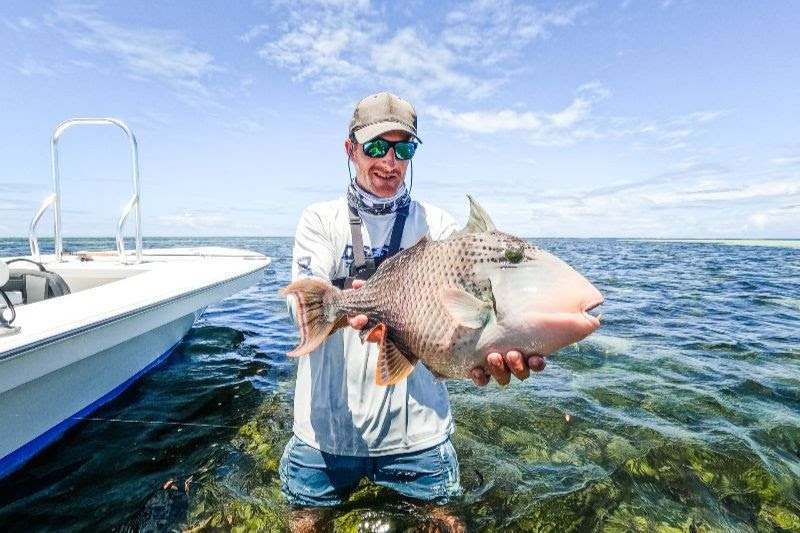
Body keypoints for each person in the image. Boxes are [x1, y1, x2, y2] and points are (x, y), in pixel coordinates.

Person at [281, 92, 547, 531]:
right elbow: (301, 310)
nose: (390, 161)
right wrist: (348, 302)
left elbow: (469, 312)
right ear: (350, 150)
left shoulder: (438, 226)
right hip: (324, 433)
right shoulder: (319, 219)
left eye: (403, 149)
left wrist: (489, 352)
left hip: (418, 434)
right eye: (375, 147)